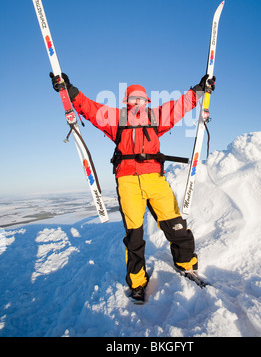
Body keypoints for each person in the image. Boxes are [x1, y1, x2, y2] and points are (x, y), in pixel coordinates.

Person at [50, 72, 215, 302]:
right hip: (127, 182)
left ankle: (186, 264)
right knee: (134, 236)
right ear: (127, 102)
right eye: (133, 99)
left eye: (141, 99)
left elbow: (180, 106)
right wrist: (68, 89)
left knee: (175, 224)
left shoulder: (155, 116)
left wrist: (200, 89)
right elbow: (89, 107)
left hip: (155, 180)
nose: (137, 103)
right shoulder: (115, 118)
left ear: (147, 101)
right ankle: (137, 283)